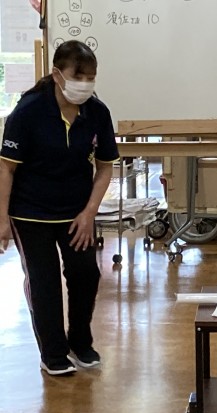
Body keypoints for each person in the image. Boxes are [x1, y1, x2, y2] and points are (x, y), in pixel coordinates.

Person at [0, 40, 119, 376]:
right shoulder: (28, 112)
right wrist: (2, 220)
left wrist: (89, 212)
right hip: (30, 212)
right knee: (44, 281)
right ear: (57, 74)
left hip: (76, 212)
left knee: (85, 274)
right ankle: (52, 353)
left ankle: (80, 342)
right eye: (78, 76)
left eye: (91, 77)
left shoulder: (97, 113)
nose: (85, 83)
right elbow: (6, 168)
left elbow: (105, 167)